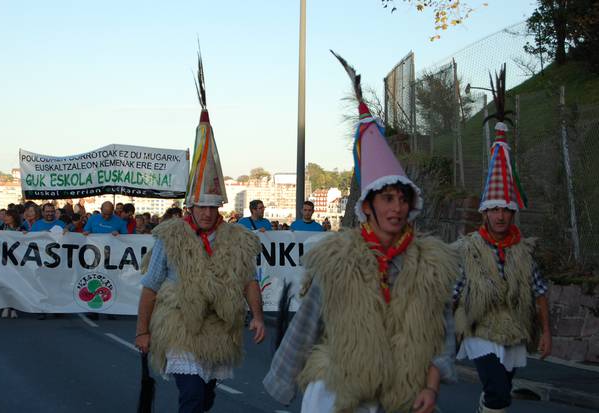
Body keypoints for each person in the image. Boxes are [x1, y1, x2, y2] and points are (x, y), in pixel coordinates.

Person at [264, 56, 458, 413]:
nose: (396, 208)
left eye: (402, 199)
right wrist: (283, 381)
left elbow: (441, 336)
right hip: (340, 392)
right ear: (367, 205)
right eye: (387, 199)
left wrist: (431, 388)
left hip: (401, 394)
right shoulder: (339, 260)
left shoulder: (431, 265)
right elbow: (306, 325)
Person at [135, 63, 265, 413]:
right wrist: (142, 332)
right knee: (190, 396)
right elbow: (151, 284)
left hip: (218, 328)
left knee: (205, 397)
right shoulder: (171, 236)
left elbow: (248, 280)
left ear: (219, 205)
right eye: (200, 206)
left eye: (212, 206)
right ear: (190, 205)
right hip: (179, 325)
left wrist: (257, 315)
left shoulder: (236, 239)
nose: (206, 213)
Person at [452, 71, 551, 413]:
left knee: (501, 392)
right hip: (480, 329)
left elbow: (539, 291)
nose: (499, 216)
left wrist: (546, 333)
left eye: (505, 210)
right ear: (484, 213)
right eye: (493, 209)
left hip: (514, 329)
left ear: (512, 213)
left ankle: (488, 404)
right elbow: (454, 291)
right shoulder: (467, 250)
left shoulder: (523, 251)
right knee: (498, 392)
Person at [0, 209, 21, 319]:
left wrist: (25, 235)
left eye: (8, 216)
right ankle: (6, 306)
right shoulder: (1, 228)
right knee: (5, 284)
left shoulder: (21, 229)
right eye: (5, 216)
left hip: (17, 262)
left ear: (13, 217)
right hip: (4, 260)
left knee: (15, 285)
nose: (5, 218)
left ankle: (14, 307)